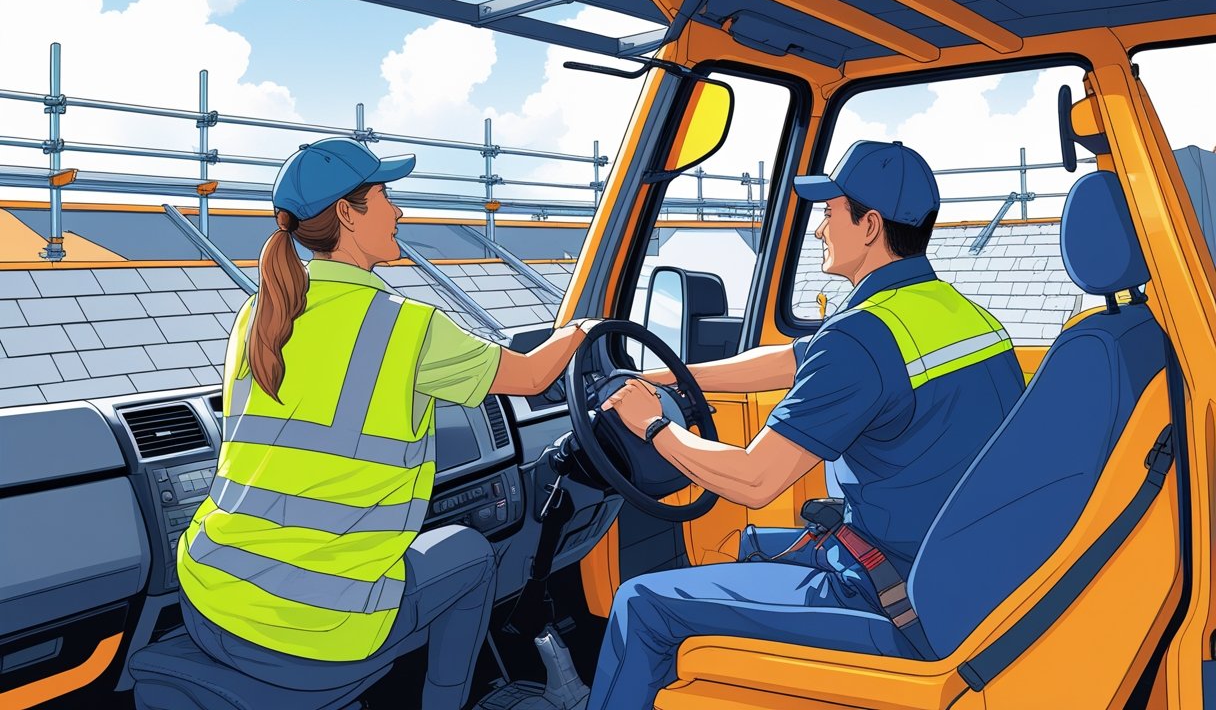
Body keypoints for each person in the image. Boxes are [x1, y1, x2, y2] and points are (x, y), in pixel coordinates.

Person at [587, 141, 1026, 709]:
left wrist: (651, 427)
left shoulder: (864, 338)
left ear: (869, 226)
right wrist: (671, 377)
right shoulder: (949, 311)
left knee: (641, 603)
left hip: (889, 596)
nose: (820, 230)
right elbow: (794, 359)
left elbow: (753, 480)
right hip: (959, 572)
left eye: (829, 212)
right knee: (745, 546)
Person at [175, 137, 597, 710]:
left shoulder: (258, 314)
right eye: (384, 197)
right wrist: (581, 330)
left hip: (208, 591)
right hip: (317, 629)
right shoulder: (408, 327)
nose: (397, 212)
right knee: (471, 556)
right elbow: (529, 378)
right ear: (348, 214)